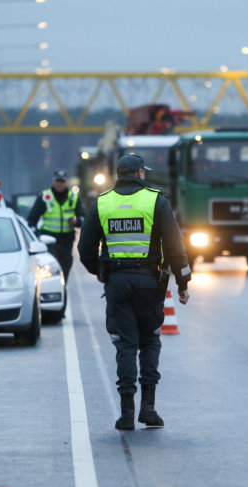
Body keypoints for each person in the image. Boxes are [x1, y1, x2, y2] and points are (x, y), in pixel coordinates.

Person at [79, 153, 191, 431]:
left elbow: (85, 250)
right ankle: (149, 409)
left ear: (119, 175)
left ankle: (126, 414)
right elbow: (175, 247)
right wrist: (183, 283)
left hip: (117, 283)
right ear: (140, 174)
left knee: (125, 345)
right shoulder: (156, 201)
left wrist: (102, 273)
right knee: (150, 341)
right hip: (149, 283)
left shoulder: (102, 203)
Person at [27, 170, 83, 281]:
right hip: (49, 241)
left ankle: (61, 290)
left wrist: (75, 222)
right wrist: (35, 236)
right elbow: (32, 218)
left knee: (65, 268)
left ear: (66, 182)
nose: (59, 184)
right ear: (53, 181)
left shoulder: (73, 197)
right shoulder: (45, 196)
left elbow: (83, 218)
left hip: (66, 242)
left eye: (62, 181)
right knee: (52, 269)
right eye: (57, 181)